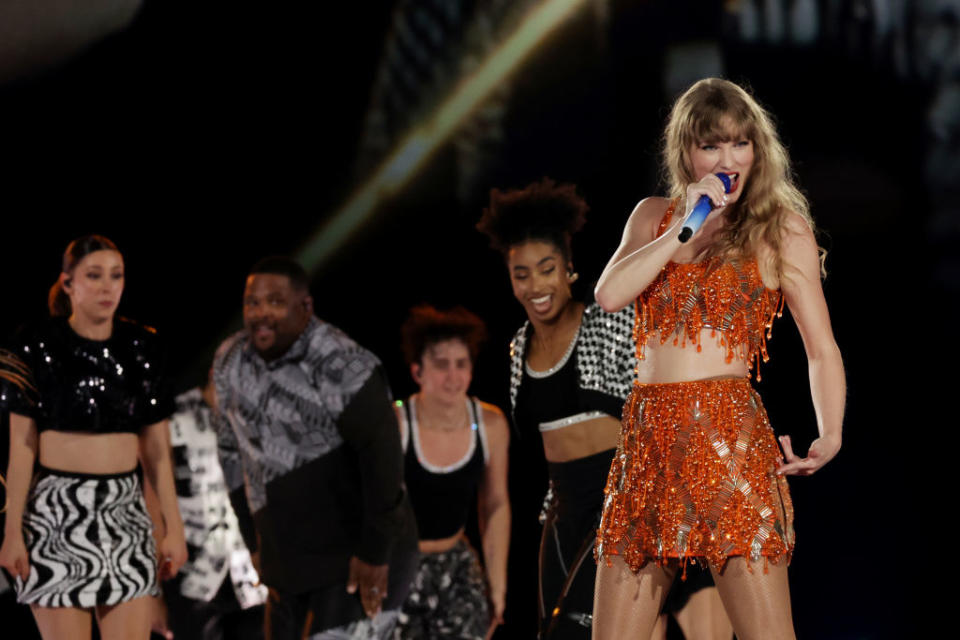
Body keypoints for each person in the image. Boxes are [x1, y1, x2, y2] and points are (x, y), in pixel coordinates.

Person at [592, 78, 845, 640]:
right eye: (711, 145)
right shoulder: (653, 216)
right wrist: (684, 226)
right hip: (647, 444)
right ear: (686, 152)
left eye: (740, 143)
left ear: (758, 149)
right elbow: (609, 295)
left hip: (727, 443)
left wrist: (830, 434)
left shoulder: (781, 230)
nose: (728, 158)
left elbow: (821, 347)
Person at [212, 256, 418, 639]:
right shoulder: (230, 361)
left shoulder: (339, 360)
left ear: (305, 306)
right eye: (252, 303)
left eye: (274, 302)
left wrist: (375, 552)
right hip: (289, 563)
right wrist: (252, 540)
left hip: (354, 561)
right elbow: (229, 454)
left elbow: (383, 453)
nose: (260, 314)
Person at [0, 234, 187, 640]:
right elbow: (21, 447)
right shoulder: (34, 344)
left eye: (116, 276)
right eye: (94, 275)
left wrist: (173, 527)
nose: (108, 287)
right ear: (68, 283)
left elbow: (156, 451)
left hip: (126, 516)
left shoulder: (143, 347)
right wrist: (12, 532)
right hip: (56, 517)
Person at [394, 305, 510, 639]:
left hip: (455, 565)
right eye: (441, 365)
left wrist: (497, 586)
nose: (453, 376)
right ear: (418, 372)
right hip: (399, 566)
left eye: (461, 364)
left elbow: (496, 505)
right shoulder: (397, 422)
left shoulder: (490, 424)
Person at [159, 376, 267, 640]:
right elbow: (155, 486)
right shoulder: (174, 415)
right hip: (193, 569)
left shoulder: (255, 417)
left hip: (247, 566)